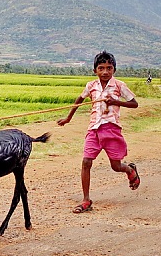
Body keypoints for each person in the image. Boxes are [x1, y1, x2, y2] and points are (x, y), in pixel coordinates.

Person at [57, 51, 140, 213]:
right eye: (101, 68)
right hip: (94, 129)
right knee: (86, 162)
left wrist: (116, 101)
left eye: (109, 68)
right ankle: (86, 200)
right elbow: (79, 100)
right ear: (95, 70)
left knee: (116, 166)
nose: (105, 72)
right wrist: (68, 119)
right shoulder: (91, 86)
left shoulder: (119, 86)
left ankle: (129, 170)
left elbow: (134, 103)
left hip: (112, 130)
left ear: (114, 70)